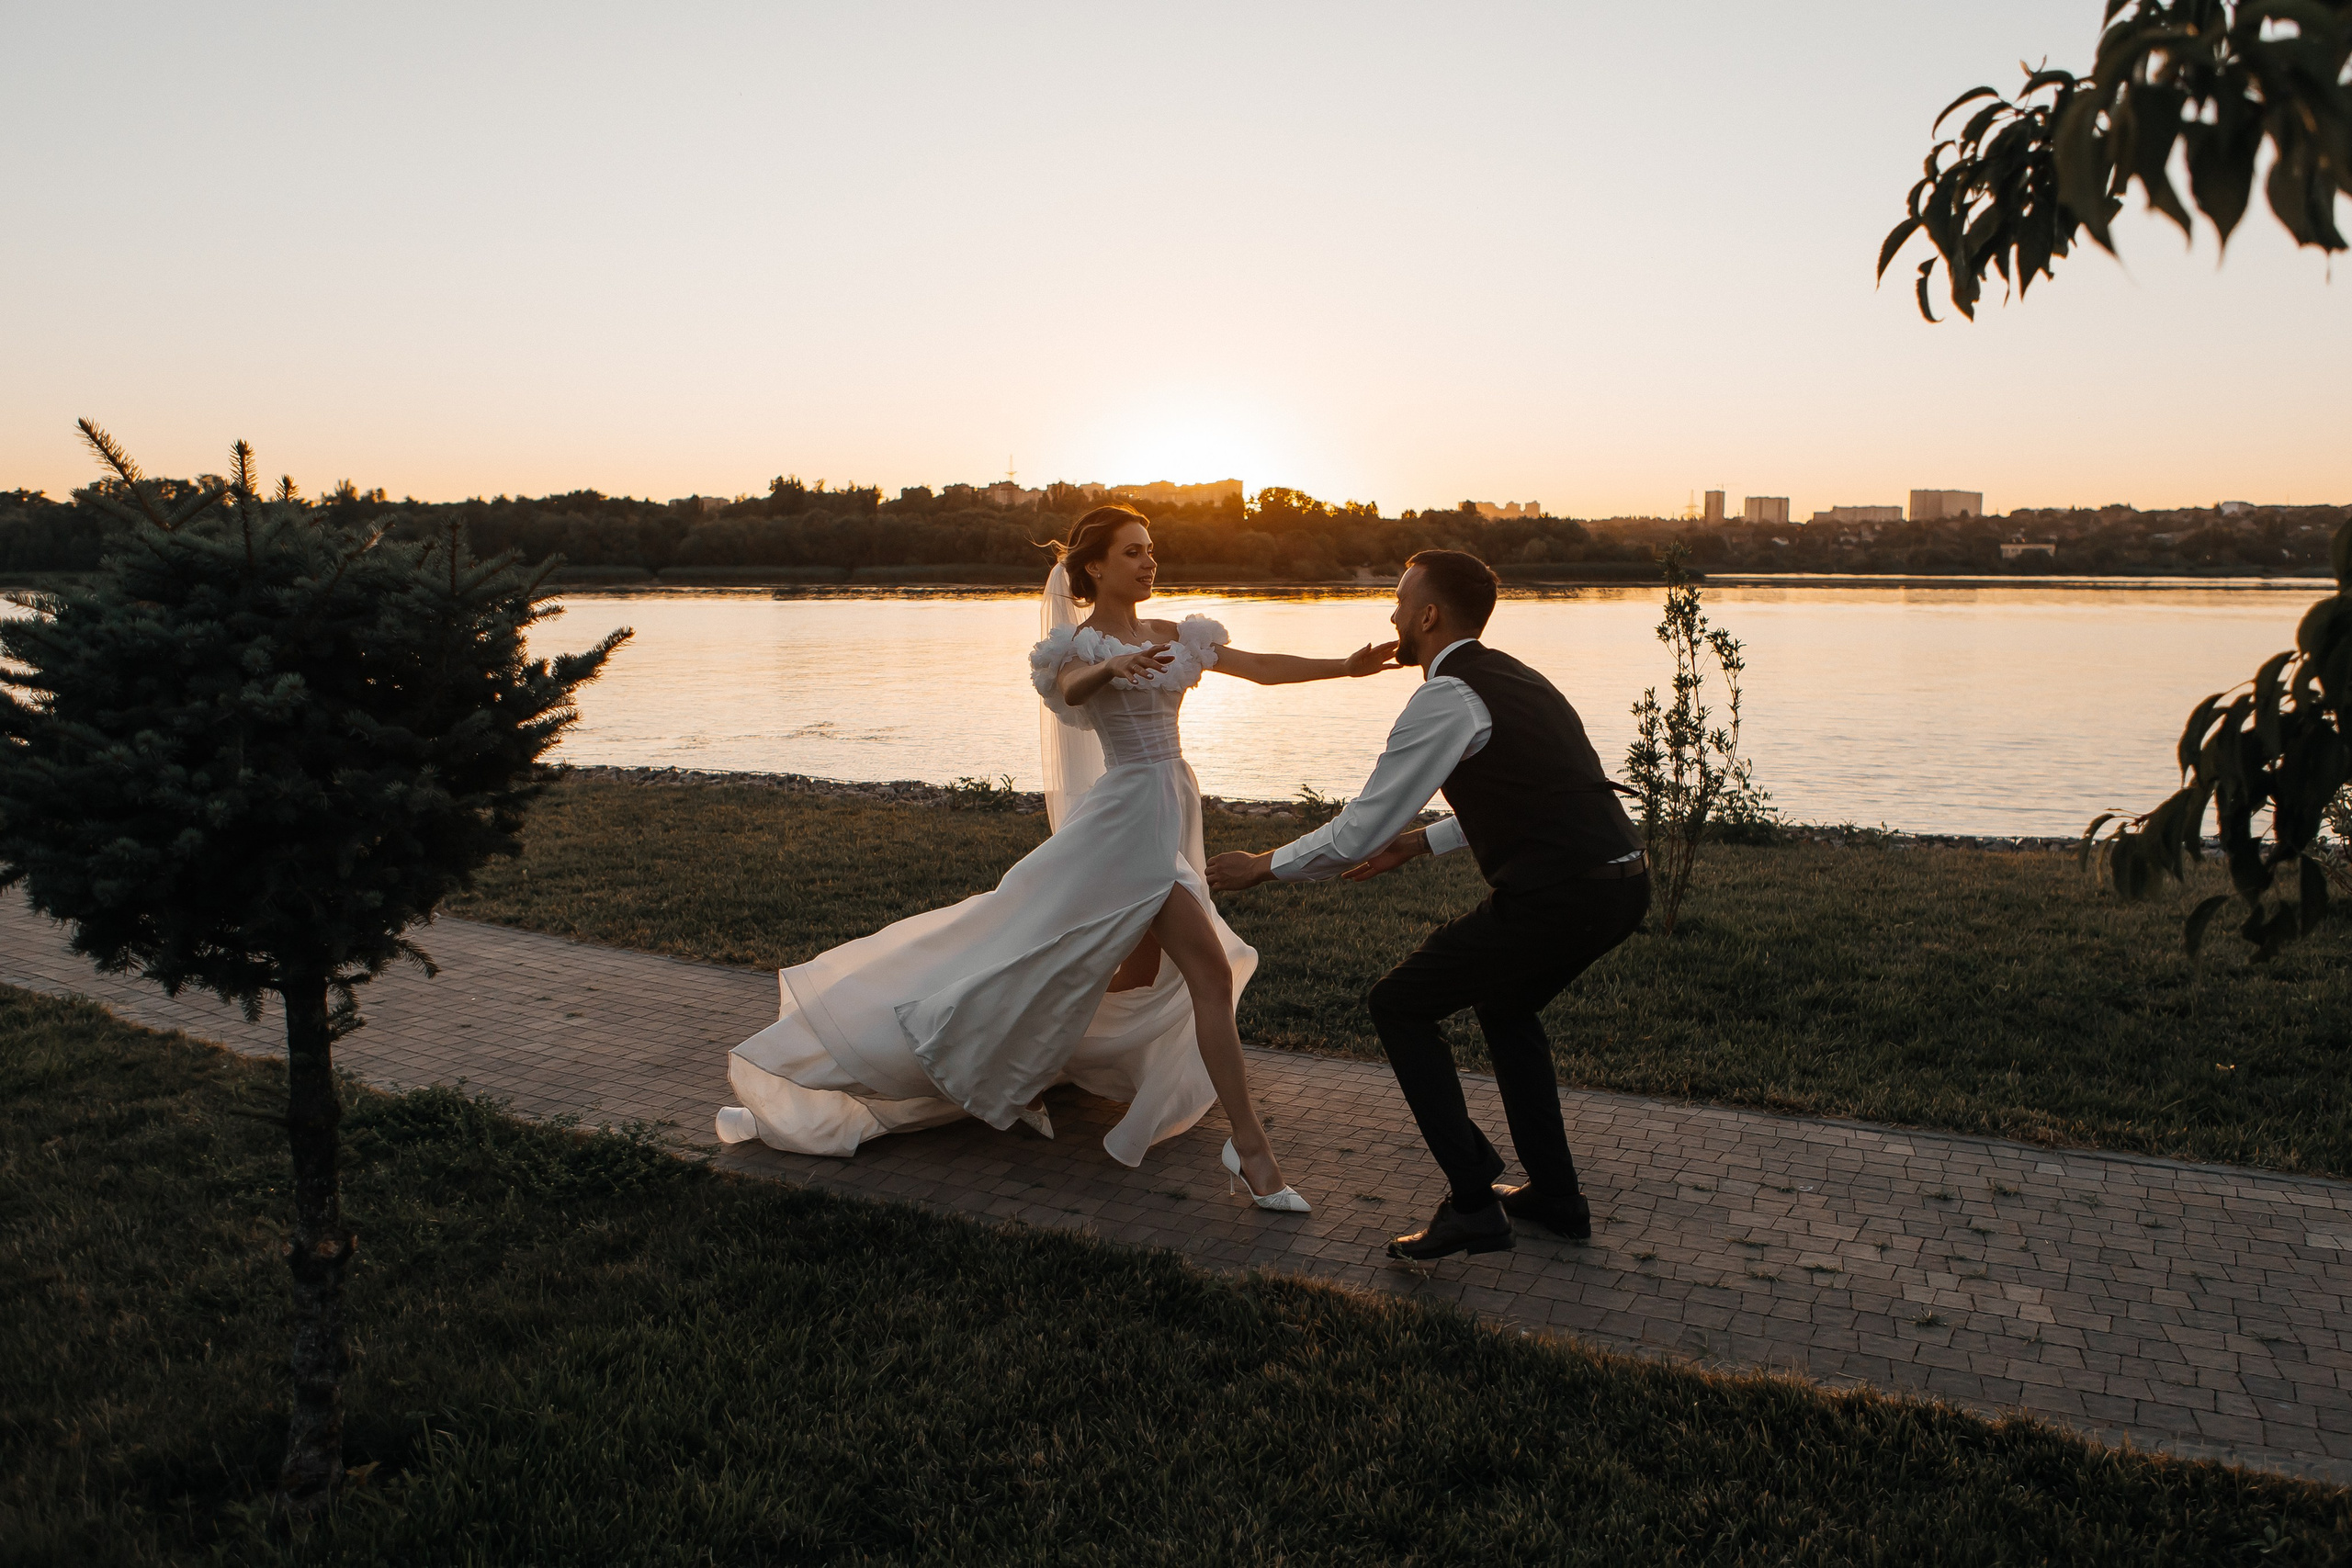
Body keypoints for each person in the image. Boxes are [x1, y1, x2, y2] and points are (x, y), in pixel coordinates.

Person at [716, 502, 1399, 1212]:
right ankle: (1251, 1148)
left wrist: (1346, 667)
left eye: (1151, 549)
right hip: (1126, 824)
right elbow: (1071, 688)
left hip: (1166, 808)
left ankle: (1027, 1054)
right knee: (1209, 974)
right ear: (1094, 566)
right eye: (1132, 551)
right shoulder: (1074, 646)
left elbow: (1258, 667)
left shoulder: (1177, 633)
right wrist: (1112, 666)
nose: (1149, 561)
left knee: (1124, 971)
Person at [1206, 548, 1648, 1260]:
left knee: (1400, 1003)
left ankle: (1474, 1203)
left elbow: (1358, 829)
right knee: (1506, 1006)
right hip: (1620, 883)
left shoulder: (1446, 696)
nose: (1393, 614)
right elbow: (1528, 795)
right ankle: (1557, 1196)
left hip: (1562, 894)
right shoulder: (1516, 677)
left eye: (1401, 600)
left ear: (1429, 615)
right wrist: (1419, 844)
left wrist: (1263, 865)